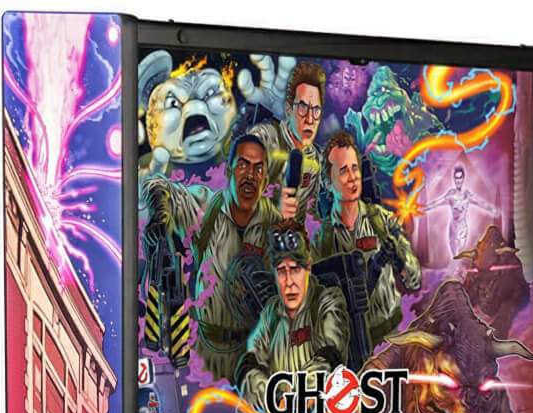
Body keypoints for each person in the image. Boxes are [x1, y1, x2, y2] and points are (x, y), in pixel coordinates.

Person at [139, 132, 277, 382]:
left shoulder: (275, 225)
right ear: (229, 171)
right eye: (243, 165)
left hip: (256, 357)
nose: (250, 175)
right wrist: (160, 213)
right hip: (206, 352)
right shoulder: (206, 207)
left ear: (265, 179)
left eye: (258, 169)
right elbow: (157, 185)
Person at [313, 130, 422, 350]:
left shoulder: (380, 221)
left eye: (355, 168)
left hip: (390, 339)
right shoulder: (323, 240)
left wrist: (398, 259)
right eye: (343, 170)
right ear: (328, 182)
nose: (353, 177)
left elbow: (414, 280)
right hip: (350, 346)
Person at [236, 220, 350, 411]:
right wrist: (274, 400)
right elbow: (249, 367)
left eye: (295, 270)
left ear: (308, 268)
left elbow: (329, 359)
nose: (289, 282)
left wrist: (295, 399)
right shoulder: (271, 313)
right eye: (282, 271)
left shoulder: (327, 302)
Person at [248, 60, 327, 223]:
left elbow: (313, 216)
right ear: (288, 110)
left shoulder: (317, 159)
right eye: (303, 107)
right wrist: (273, 212)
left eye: (316, 110)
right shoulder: (265, 140)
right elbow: (236, 197)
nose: (310, 119)